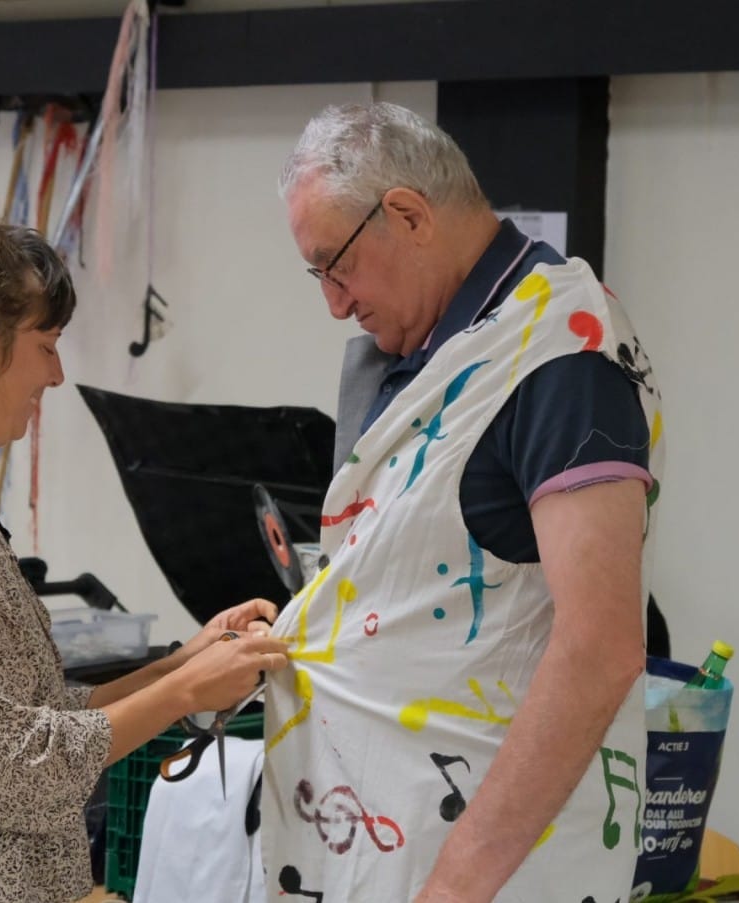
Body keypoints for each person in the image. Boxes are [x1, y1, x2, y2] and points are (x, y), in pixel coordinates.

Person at [0, 183, 289, 903]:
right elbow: (25, 770)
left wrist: (182, 662)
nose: (57, 375)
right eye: (46, 346)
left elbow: (36, 715)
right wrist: (188, 689)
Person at [263, 102, 664, 902]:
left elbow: (601, 647)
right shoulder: (444, 347)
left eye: (336, 266)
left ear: (409, 214)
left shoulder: (562, 355)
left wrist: (455, 884)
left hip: (479, 865)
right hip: (381, 837)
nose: (335, 302)